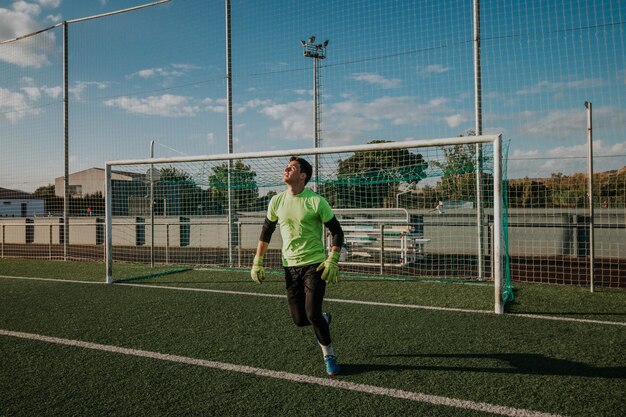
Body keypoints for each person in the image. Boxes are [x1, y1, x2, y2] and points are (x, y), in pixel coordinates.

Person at [250, 156, 344, 376]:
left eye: (291, 167)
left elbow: (337, 231)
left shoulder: (316, 201)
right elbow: (266, 232)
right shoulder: (276, 201)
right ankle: (324, 318)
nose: (286, 169)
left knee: (312, 313)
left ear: (302, 176)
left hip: (314, 265)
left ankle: (328, 355)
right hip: (289, 267)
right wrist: (258, 260)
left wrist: (333, 258)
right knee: (300, 320)